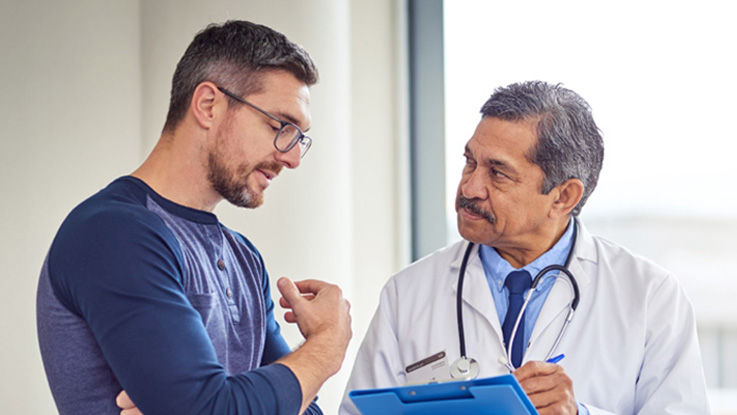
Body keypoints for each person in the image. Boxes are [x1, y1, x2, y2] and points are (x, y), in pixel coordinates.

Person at [36, 20, 351, 415]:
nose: (292, 157)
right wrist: (326, 347)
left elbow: (303, 410)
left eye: (299, 138)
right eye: (280, 126)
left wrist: (219, 399)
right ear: (208, 105)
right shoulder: (111, 233)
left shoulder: (244, 258)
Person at [340, 81, 709, 414]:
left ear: (563, 197)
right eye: (470, 162)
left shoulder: (650, 297)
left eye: (497, 173)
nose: (469, 188)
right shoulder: (408, 293)